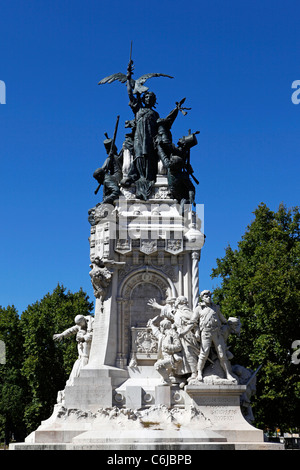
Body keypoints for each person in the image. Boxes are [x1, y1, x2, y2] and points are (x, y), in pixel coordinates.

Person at [120, 61, 160, 200]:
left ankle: (148, 178)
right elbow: (130, 94)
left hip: (150, 139)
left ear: (154, 100)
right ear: (144, 98)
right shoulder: (138, 109)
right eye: (147, 97)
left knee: (149, 156)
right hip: (139, 137)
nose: (148, 99)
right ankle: (140, 178)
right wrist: (129, 76)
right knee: (138, 156)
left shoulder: (155, 114)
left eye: (151, 98)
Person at [194, 290, 236, 383]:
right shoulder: (199, 309)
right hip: (205, 333)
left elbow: (223, 319)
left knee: (222, 354)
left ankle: (228, 374)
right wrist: (196, 332)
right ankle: (199, 373)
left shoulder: (216, 308)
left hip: (217, 333)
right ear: (202, 298)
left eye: (209, 296)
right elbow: (194, 322)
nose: (208, 298)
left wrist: (231, 324)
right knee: (203, 354)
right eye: (206, 296)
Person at [53, 315, 94, 386]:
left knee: (84, 359)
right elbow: (71, 330)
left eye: (80, 324)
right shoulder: (80, 324)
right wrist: (62, 335)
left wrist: (83, 337)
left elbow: (96, 334)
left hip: (90, 347)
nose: (80, 326)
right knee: (80, 360)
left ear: (84, 320)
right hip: (82, 347)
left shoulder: (92, 322)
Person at [147, 317, 182, 385]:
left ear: (164, 327)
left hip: (172, 359)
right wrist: (151, 325)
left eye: (161, 327)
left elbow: (179, 347)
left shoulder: (173, 334)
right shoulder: (163, 336)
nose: (160, 328)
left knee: (157, 365)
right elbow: (156, 332)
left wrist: (168, 347)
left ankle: (168, 382)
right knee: (164, 378)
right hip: (165, 358)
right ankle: (181, 380)